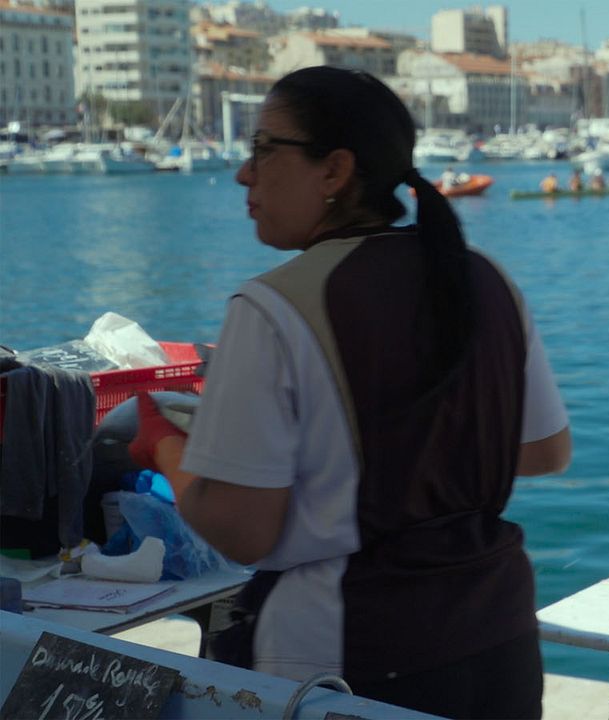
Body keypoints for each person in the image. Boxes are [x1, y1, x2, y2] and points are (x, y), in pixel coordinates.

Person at [127, 66, 571, 719]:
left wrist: (163, 446)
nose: (243, 174)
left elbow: (244, 531)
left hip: (348, 658)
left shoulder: (273, 306)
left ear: (334, 171)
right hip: (497, 635)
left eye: (262, 150)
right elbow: (542, 451)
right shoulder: (484, 278)